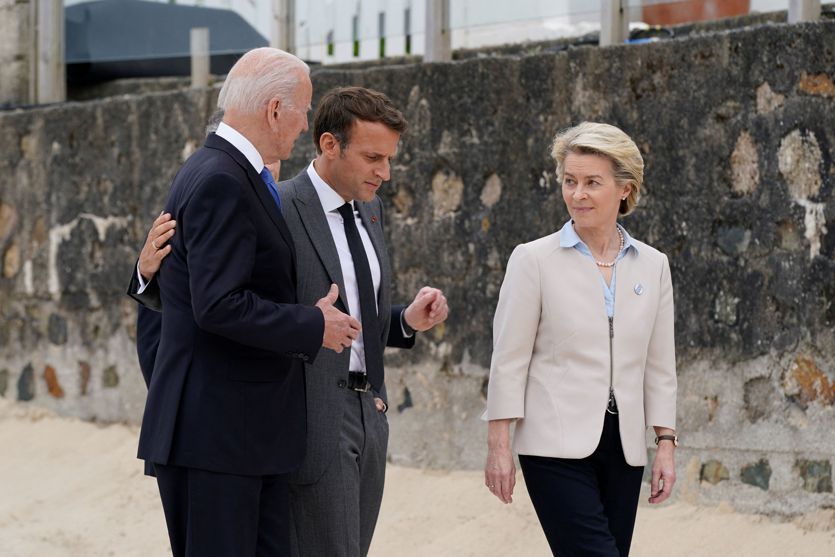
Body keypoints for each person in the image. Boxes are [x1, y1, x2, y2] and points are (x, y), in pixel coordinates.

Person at [131, 86, 449, 557]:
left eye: (389, 158)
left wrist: (404, 322)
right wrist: (145, 277)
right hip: (305, 422)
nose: (385, 172)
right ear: (329, 145)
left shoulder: (372, 209)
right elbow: (210, 306)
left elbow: (346, 318)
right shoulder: (274, 205)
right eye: (373, 157)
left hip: (371, 417)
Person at [130, 47, 361, 557]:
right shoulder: (220, 179)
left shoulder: (224, 171)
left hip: (241, 436)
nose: (304, 124)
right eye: (303, 108)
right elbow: (217, 304)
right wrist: (310, 325)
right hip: (218, 437)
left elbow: (185, 285)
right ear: (275, 110)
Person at [483, 122, 677, 557]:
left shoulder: (654, 265)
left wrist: (666, 442)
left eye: (592, 182)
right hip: (553, 446)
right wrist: (499, 445)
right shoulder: (533, 260)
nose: (578, 194)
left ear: (625, 189)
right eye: (570, 181)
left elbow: (660, 365)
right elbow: (508, 360)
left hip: (625, 449)